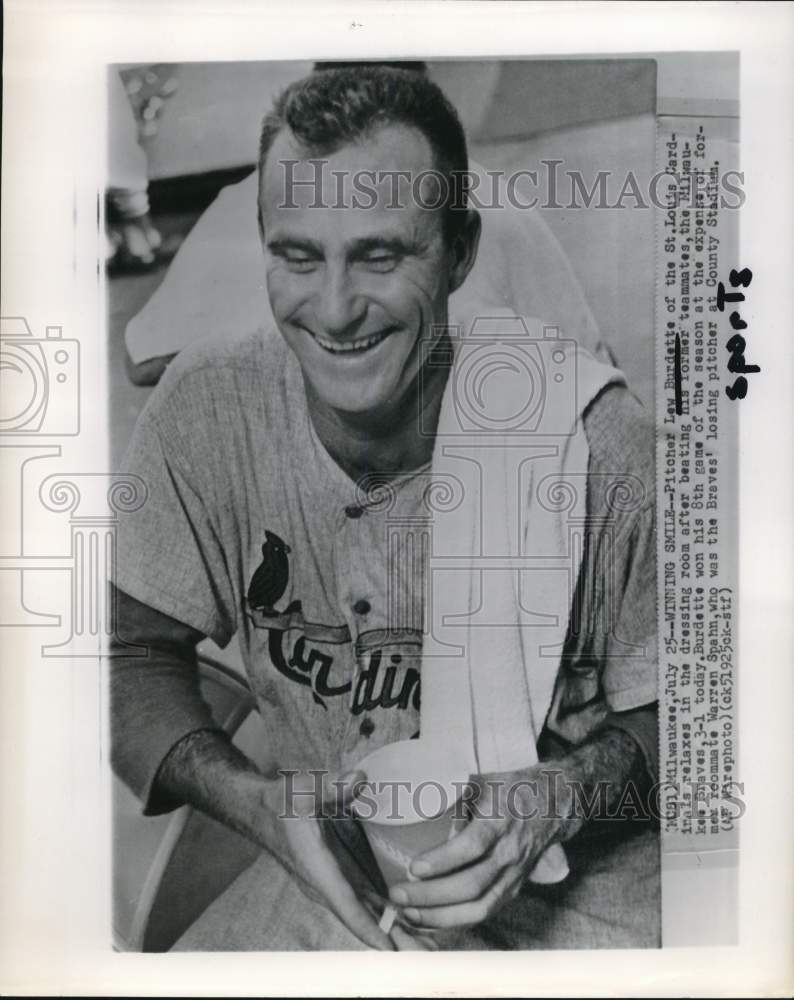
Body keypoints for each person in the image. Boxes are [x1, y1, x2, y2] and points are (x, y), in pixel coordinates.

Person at [112, 65, 659, 951]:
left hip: (579, 897)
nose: (333, 309)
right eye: (297, 255)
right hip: (336, 878)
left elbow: (716, 716)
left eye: (381, 254)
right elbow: (125, 654)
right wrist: (260, 806)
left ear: (460, 251)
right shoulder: (207, 407)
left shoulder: (596, 444)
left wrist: (561, 797)